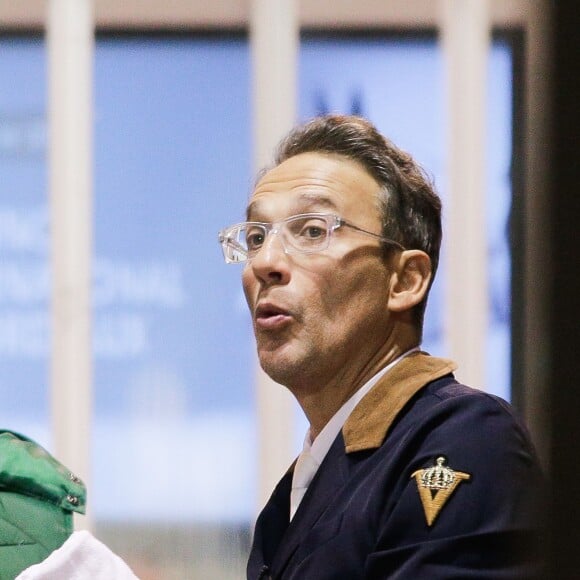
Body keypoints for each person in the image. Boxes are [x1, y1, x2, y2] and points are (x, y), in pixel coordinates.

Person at [218, 115, 544, 579]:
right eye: (255, 237)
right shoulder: (297, 488)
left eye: (312, 230)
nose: (265, 263)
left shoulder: (465, 440)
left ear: (405, 280)